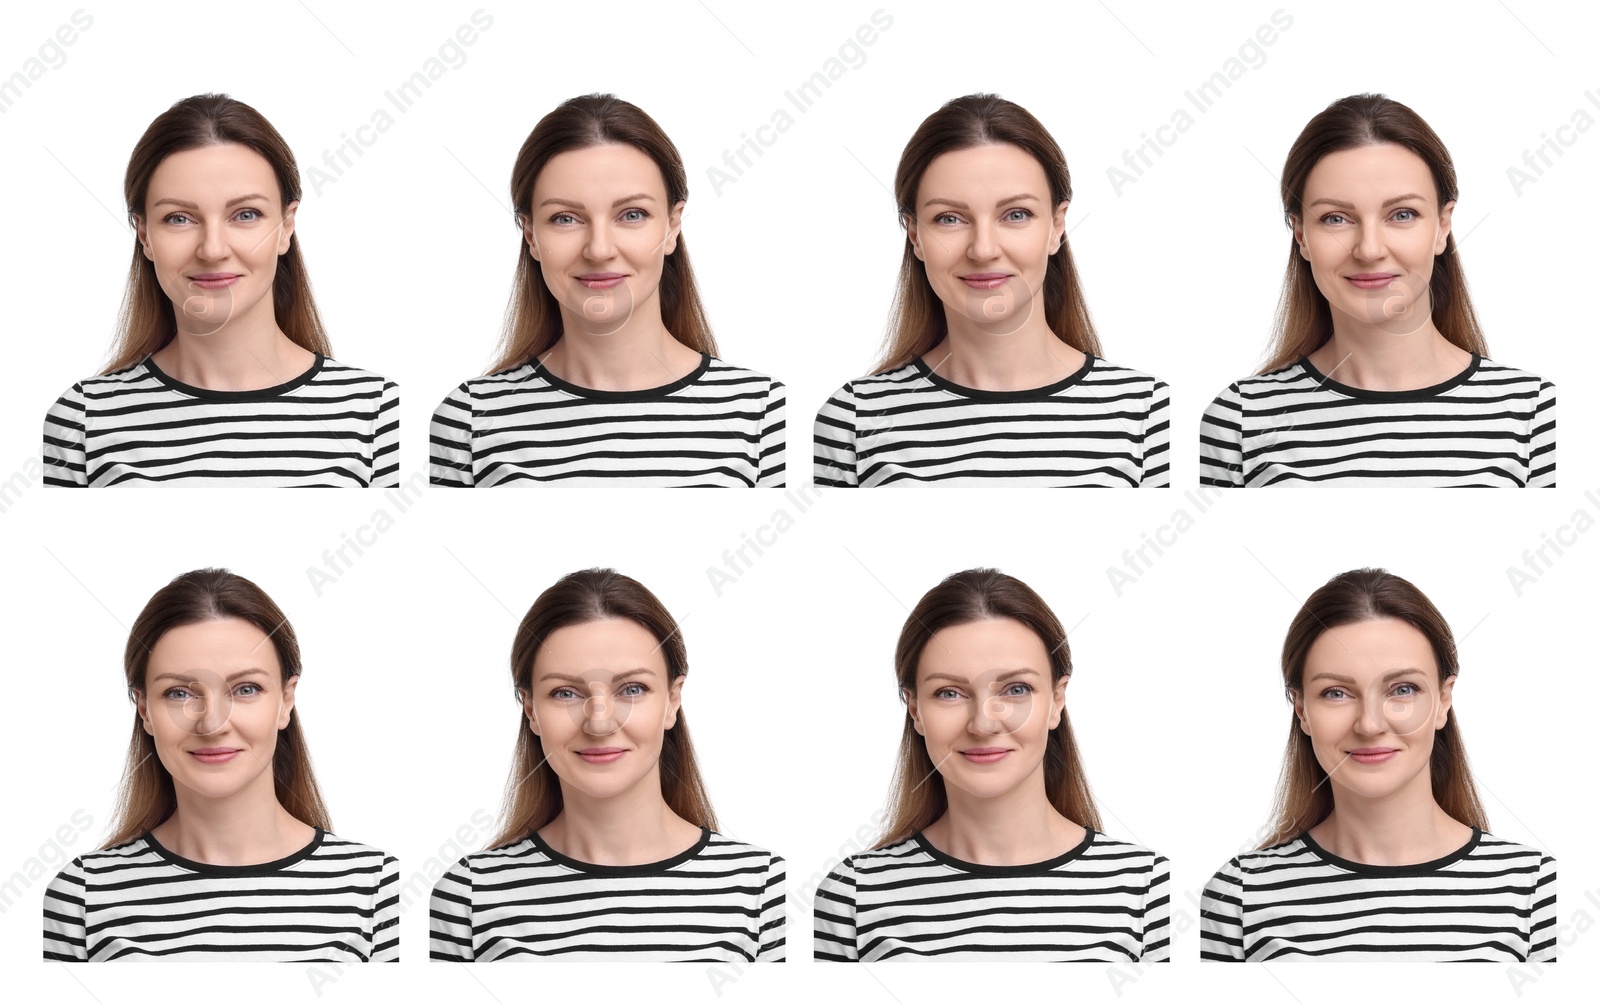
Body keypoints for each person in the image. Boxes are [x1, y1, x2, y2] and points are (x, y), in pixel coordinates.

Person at [42, 94, 399, 487]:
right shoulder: (82, 422)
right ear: (144, 235)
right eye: (178, 218)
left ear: (286, 226)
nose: (212, 249)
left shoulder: (378, 414)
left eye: (246, 215)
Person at [813, 94, 1169, 487]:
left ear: (1056, 226)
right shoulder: (853, 422)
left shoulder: (1149, 415)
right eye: (949, 218)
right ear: (915, 235)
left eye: (1016, 215)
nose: (983, 249)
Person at [42, 569, 398, 961]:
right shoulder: (81, 898)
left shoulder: (379, 890)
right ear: (144, 709)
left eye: (246, 689)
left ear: (285, 700)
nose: (212, 723)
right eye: (179, 693)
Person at [1199, 94, 1554, 487]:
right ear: (1301, 234)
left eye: (1402, 215)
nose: (1369, 249)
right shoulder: (1239, 422)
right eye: (1335, 218)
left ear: (1442, 226)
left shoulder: (1536, 415)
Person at [1200, 568, 1556, 961]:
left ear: (1442, 700)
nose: (1369, 724)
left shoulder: (1536, 891)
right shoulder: (1239, 898)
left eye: (1403, 689)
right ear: (1301, 709)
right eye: (1336, 692)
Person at [430, 95, 785, 487]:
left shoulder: (765, 415)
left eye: (632, 215)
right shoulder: (469, 422)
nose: (599, 249)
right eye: (565, 218)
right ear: (530, 235)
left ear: (671, 226)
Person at [814, 569, 1169, 961]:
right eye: (949, 692)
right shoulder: (852, 897)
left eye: (1016, 689)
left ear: (1056, 700)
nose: (983, 723)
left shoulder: (1149, 891)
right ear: (915, 709)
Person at [429, 569, 784, 960]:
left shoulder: (764, 891)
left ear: (672, 700)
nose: (600, 721)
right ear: (531, 709)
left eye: (632, 689)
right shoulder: (468, 897)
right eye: (565, 692)